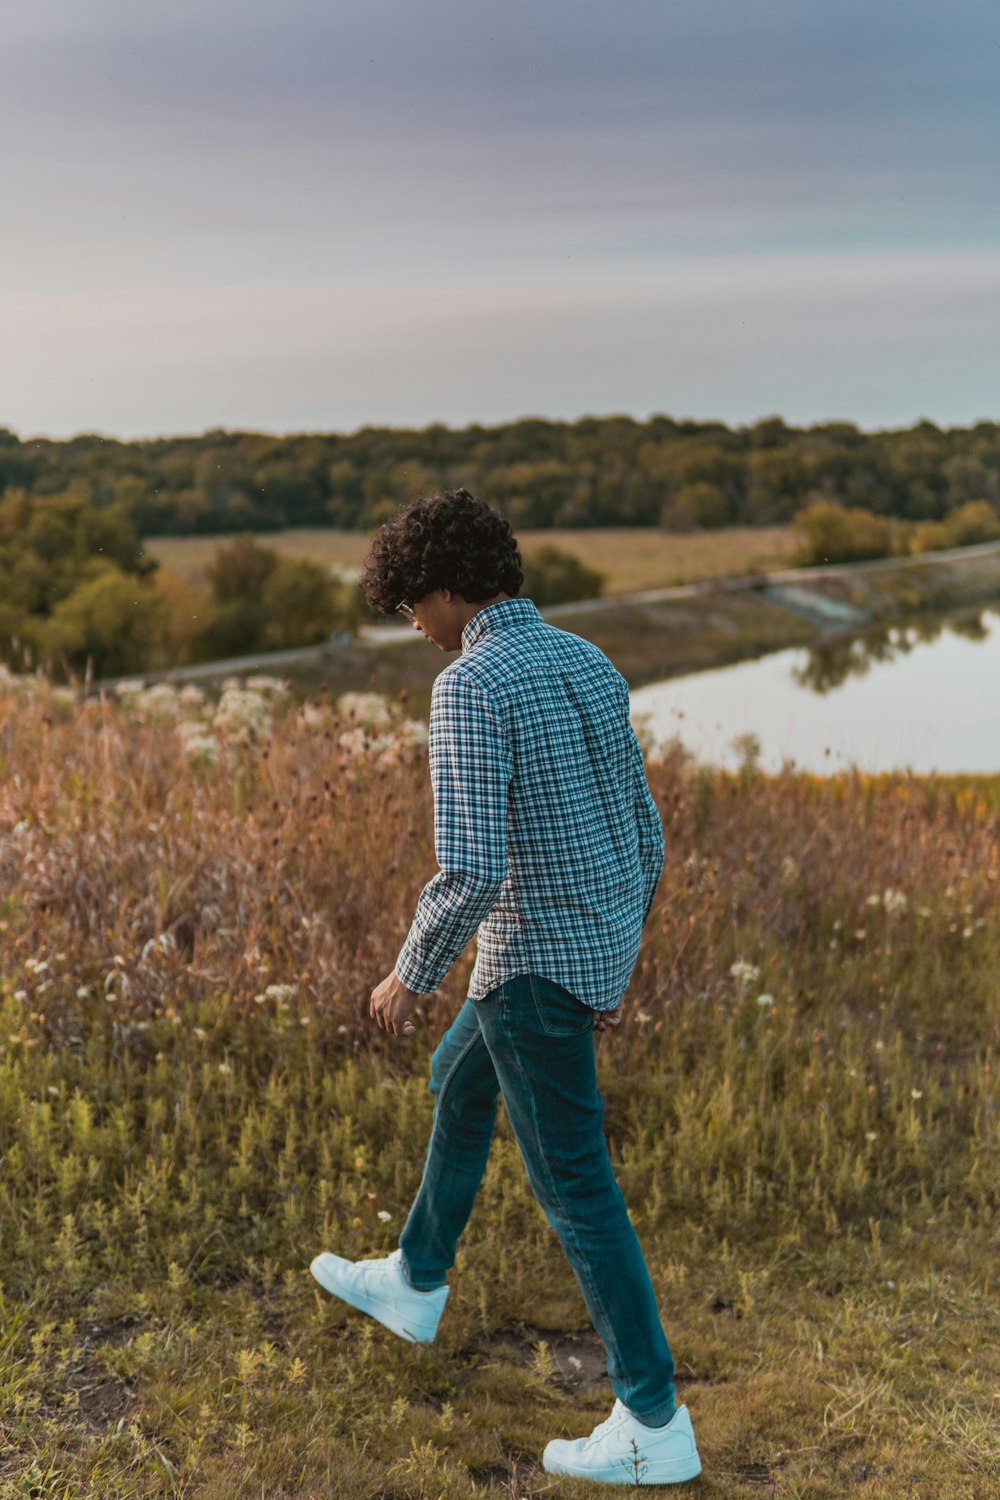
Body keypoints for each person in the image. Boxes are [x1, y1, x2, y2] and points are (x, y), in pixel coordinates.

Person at [310, 488, 702, 1486]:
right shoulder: (588, 660)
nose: (413, 628)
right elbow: (645, 833)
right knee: (461, 1084)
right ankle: (413, 1280)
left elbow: (472, 869)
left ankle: (653, 1424)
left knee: (576, 1187)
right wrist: (619, 958)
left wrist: (408, 973)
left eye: (411, 607)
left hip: (526, 966)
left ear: (446, 591)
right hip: (576, 955)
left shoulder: (469, 686)